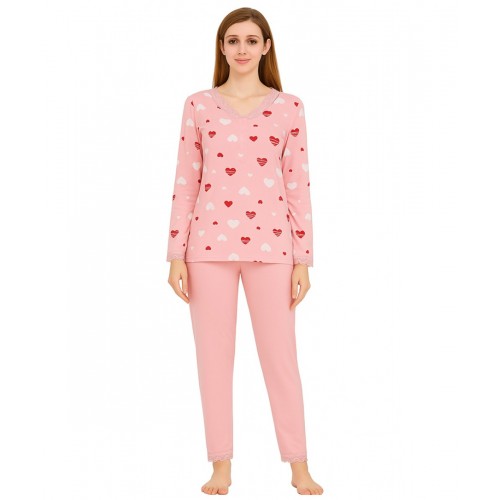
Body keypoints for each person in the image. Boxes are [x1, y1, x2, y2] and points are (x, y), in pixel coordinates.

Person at [166, 7, 323, 495]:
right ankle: (221, 465)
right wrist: (175, 254)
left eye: (251, 40)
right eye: (232, 40)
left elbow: (297, 185)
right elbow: (186, 182)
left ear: (266, 47)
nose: (241, 49)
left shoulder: (289, 107)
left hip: (274, 250)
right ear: (222, 47)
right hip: (206, 248)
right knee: (213, 361)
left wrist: (303, 259)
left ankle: (298, 466)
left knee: (281, 360)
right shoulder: (198, 105)